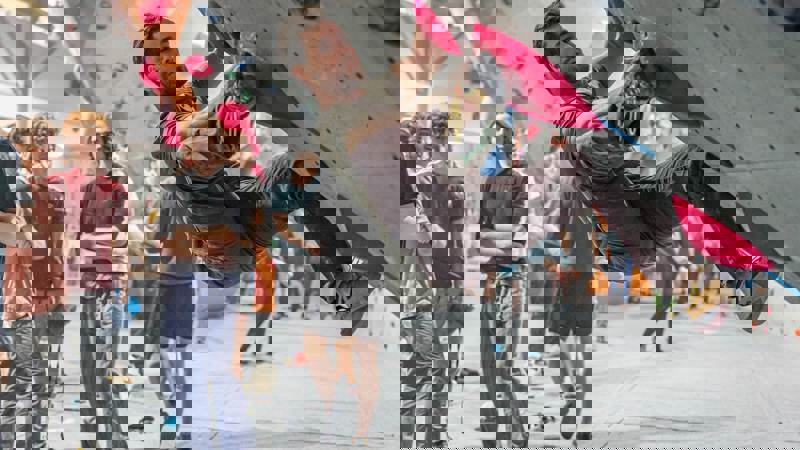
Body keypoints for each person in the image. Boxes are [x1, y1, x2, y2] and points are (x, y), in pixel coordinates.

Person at [52, 108, 130, 449]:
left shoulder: (114, 187)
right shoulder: (63, 183)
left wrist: (78, 242)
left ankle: (112, 438)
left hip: (104, 287)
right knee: (87, 369)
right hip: (77, 288)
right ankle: (94, 435)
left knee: (99, 367)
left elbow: (120, 238)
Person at [398, 111, 466, 448]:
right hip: (419, 295)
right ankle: (428, 442)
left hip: (446, 289)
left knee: (424, 371)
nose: (438, 143)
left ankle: (421, 438)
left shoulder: (450, 185)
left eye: (441, 136)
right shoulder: (413, 188)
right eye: (431, 137)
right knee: (433, 368)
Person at [0, 116, 66, 449]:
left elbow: (58, 242)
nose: (45, 154)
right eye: (38, 147)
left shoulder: (53, 190)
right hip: (20, 295)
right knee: (22, 374)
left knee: (46, 375)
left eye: (49, 148)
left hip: (50, 294)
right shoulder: (14, 188)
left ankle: (34, 441)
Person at [476, 110, 531, 448]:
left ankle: (512, 424)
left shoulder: (519, 179)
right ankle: (501, 419)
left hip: (507, 276)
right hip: (495, 276)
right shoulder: (489, 177)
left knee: (501, 352)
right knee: (493, 352)